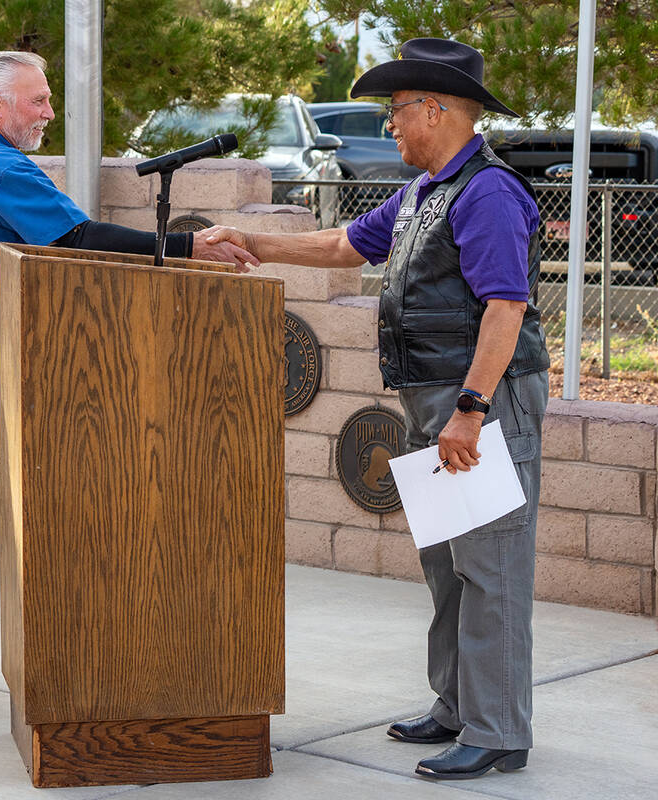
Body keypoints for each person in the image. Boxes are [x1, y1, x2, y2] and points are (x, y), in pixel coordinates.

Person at [0, 50, 256, 700]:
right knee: (69, 510)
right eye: (37, 100)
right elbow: (74, 239)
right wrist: (184, 246)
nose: (49, 113)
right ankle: (93, 668)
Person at [205, 38, 549, 781]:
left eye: (395, 111)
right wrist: (249, 241)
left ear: (437, 108)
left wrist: (469, 409)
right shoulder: (425, 192)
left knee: (490, 567)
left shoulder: (487, 191)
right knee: (449, 567)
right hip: (438, 404)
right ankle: (457, 708)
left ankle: (498, 732)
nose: (389, 125)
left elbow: (505, 308)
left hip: (478, 406)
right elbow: (341, 244)